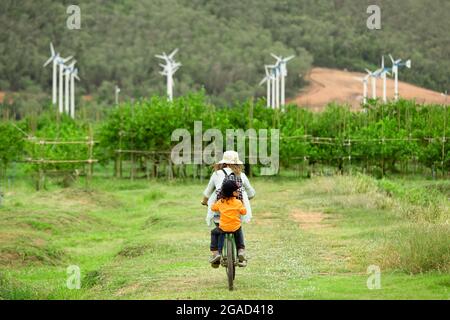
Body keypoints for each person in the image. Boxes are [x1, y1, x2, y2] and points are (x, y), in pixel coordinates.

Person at [201, 150, 255, 268]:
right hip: (237, 212)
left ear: (223, 162)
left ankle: (216, 254)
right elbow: (251, 193)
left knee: (218, 229)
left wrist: (204, 202)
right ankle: (241, 251)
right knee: (237, 227)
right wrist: (244, 199)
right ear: (237, 164)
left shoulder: (216, 174)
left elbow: (207, 193)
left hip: (220, 212)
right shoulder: (242, 175)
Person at [212, 180, 246, 262]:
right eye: (236, 190)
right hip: (235, 227)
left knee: (214, 232)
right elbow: (244, 212)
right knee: (239, 230)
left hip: (223, 227)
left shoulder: (220, 202)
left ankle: (216, 252)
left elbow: (213, 208)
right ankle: (241, 250)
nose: (238, 191)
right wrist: (243, 204)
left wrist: (214, 202)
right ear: (232, 193)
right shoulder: (238, 202)